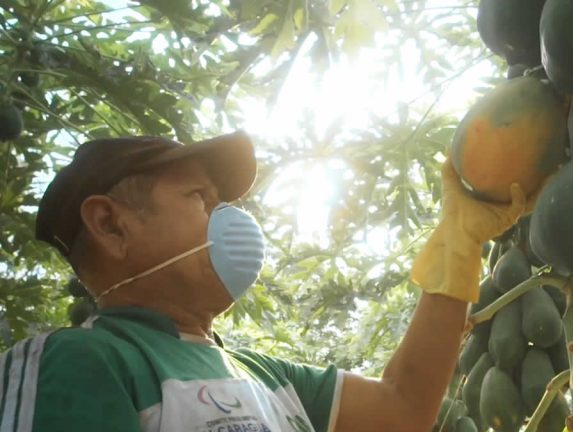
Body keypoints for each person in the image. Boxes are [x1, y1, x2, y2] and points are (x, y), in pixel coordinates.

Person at [0, 131, 529, 432]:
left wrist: (460, 240)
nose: (228, 219)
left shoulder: (266, 377)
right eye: (201, 199)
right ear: (113, 225)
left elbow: (404, 405)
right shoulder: (78, 361)